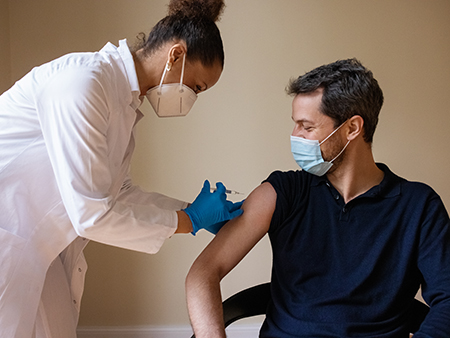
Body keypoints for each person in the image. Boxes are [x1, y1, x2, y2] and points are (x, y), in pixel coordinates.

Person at [0, 0, 243, 337]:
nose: (192, 97)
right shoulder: (82, 83)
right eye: (197, 87)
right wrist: (190, 221)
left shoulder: (123, 103)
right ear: (176, 55)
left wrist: (192, 211)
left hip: (38, 249)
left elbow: (120, 193)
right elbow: (92, 214)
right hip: (8, 238)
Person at [185, 58, 450, 337]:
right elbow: (203, 274)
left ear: (352, 128)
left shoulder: (419, 207)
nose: (295, 136)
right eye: (295, 124)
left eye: (306, 127)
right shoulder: (284, 191)